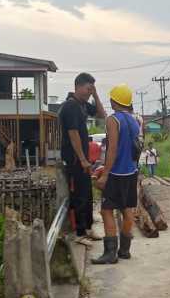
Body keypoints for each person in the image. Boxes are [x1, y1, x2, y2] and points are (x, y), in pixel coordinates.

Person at [92, 84, 140, 265]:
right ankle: (125, 250)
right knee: (127, 209)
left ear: (115, 101)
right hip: (131, 172)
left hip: (116, 173)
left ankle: (110, 253)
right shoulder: (134, 120)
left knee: (106, 210)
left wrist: (105, 174)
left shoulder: (113, 120)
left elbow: (112, 149)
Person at [58, 72, 106, 245]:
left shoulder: (83, 105)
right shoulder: (70, 106)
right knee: (79, 194)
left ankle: (88, 228)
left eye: (91, 89)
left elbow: (101, 115)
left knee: (87, 193)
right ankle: (79, 233)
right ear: (78, 86)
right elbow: (73, 134)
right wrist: (82, 159)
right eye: (88, 89)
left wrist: (96, 95)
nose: (89, 92)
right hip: (74, 158)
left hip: (83, 158)